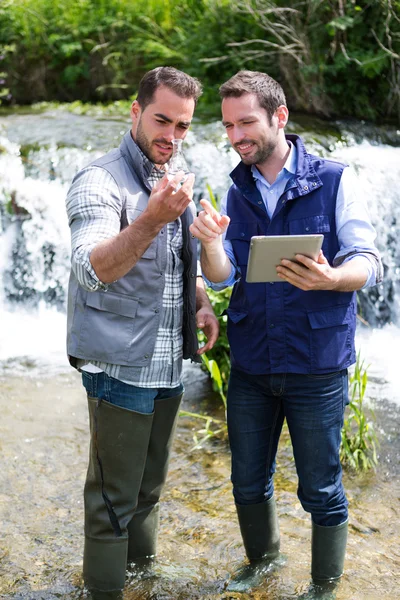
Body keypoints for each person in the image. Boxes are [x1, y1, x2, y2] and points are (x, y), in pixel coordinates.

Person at [190, 70, 382, 595]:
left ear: (280, 117)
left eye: (245, 123)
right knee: (246, 482)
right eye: (228, 126)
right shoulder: (238, 188)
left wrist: (332, 278)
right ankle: (263, 564)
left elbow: (369, 261)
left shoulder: (337, 179)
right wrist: (210, 243)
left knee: (320, 488)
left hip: (317, 364)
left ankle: (324, 586)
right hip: (252, 361)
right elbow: (224, 274)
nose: (235, 136)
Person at [65, 66, 219, 599]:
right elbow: (91, 270)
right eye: (162, 121)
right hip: (119, 366)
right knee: (111, 506)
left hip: (167, 363)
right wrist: (151, 219)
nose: (172, 137)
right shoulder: (98, 180)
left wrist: (198, 300)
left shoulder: (173, 170)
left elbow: (178, 258)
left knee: (148, 493)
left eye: (183, 127)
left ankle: (142, 587)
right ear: (135, 112)